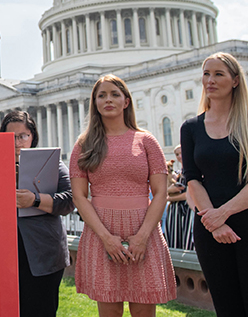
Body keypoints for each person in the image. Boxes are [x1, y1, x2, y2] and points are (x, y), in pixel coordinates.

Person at [181, 52, 248, 316]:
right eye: (206, 74)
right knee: (227, 309)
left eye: (218, 74)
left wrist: (222, 214)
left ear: (235, 80)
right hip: (209, 228)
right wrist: (214, 222)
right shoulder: (191, 127)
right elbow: (191, 178)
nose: (210, 80)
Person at [70, 74, 175, 317]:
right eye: (101, 95)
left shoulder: (147, 141)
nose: (108, 100)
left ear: (126, 101)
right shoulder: (84, 144)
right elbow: (79, 196)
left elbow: (160, 193)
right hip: (101, 232)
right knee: (109, 312)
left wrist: (142, 236)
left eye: (114, 94)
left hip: (143, 231)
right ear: (94, 103)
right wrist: (106, 237)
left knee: (143, 311)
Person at [0, 110, 74, 317]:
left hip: (42, 255)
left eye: (23, 136)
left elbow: (70, 200)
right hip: (3, 255)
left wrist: (35, 199)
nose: (17, 143)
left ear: (32, 137)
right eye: (11, 137)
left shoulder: (53, 164)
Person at [165, 145, 194, 250]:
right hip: (175, 212)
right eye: (177, 154)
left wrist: (168, 198)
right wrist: (168, 191)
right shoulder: (177, 174)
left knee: (188, 242)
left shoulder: (193, 172)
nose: (180, 156)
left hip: (188, 210)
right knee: (174, 241)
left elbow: (189, 195)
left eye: (182, 153)